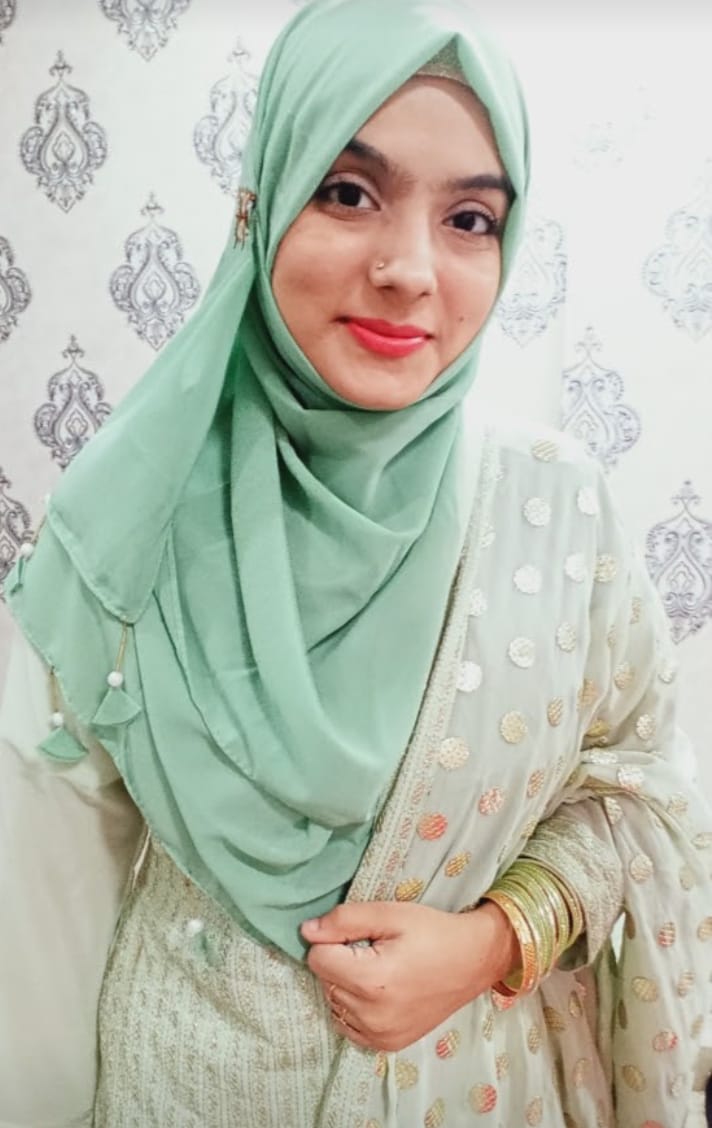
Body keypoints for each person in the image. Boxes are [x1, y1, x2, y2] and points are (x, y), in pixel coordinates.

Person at [1, 0, 710, 1125]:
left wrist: (496, 939)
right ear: (261, 200)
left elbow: (641, 785)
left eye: (469, 218)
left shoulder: (555, 507)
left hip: (475, 1089)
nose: (409, 270)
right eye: (346, 192)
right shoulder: (128, 517)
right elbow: (38, 924)